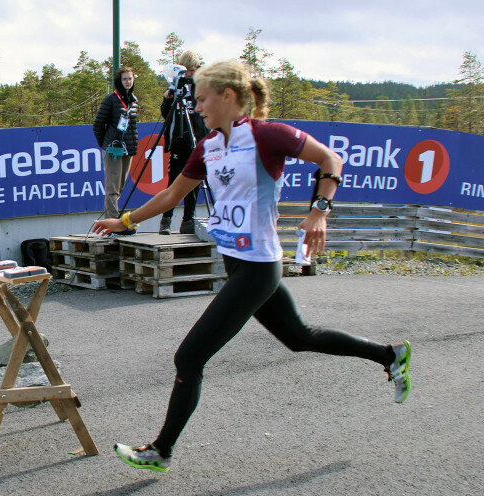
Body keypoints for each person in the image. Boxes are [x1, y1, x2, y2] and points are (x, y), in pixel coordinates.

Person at [91, 60, 412, 473]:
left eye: (203, 98)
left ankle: (161, 450)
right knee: (299, 337)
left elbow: (331, 160)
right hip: (238, 266)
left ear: (228, 97)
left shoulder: (267, 135)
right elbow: (172, 195)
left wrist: (319, 210)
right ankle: (389, 355)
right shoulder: (209, 146)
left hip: (259, 267)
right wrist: (125, 221)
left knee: (189, 358)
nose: (199, 106)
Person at [159, 51, 210, 235]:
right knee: (173, 182)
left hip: (198, 140)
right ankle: (166, 221)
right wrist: (168, 98)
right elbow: (166, 114)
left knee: (194, 181)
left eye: (193, 70)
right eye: (187, 70)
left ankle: (188, 220)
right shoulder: (176, 85)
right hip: (180, 140)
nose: (190, 74)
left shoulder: (203, 85)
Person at [93, 66, 140, 235]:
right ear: (119, 81)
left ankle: (116, 221)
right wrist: (106, 144)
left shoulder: (133, 100)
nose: (128, 82)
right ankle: (113, 224)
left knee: (119, 187)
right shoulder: (111, 100)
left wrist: (133, 146)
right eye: (124, 79)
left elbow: (132, 126)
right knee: (112, 188)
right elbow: (98, 125)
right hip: (113, 150)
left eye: (130, 78)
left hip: (127, 149)